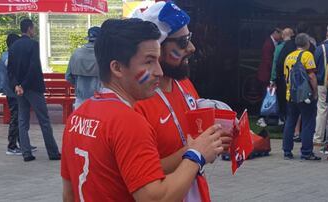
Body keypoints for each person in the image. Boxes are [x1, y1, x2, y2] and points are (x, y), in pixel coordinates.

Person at [61, 18, 231, 202]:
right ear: (117, 67)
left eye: (157, 60)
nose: (158, 71)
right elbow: (155, 198)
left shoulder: (77, 116)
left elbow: (68, 193)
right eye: (148, 62)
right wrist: (196, 155)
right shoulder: (128, 122)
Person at [133, 2, 233, 201]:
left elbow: (193, 135)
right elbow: (142, 174)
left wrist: (217, 137)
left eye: (190, 38)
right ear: (156, 47)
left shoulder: (183, 83)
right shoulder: (137, 100)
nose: (192, 48)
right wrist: (196, 151)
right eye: (182, 42)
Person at [7, 19, 60, 162]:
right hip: (33, 88)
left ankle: (26, 153)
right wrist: (24, 85)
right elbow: (33, 67)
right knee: (44, 120)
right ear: (29, 28)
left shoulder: (13, 46)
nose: (34, 30)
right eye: (33, 28)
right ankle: (53, 152)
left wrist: (16, 86)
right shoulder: (33, 45)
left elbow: (10, 70)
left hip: (19, 90)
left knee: (22, 120)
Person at [282, 33, 320, 161]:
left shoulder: (289, 56)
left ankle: (287, 151)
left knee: (290, 121)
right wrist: (315, 92)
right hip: (304, 95)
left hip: (290, 95)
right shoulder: (307, 55)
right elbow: (311, 76)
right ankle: (306, 152)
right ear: (307, 43)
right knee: (308, 122)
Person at [0, 34, 23, 155]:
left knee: (18, 117)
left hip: (11, 90)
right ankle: (12, 146)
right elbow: (14, 70)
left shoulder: (6, 55)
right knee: (15, 117)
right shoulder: (8, 57)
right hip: (12, 91)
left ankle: (22, 143)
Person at [66, 26, 102, 109]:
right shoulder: (102, 55)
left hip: (80, 98)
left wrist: (78, 85)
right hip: (99, 98)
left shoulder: (76, 53)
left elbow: (68, 76)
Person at [256, 28, 282, 127]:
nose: (281, 37)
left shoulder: (274, 43)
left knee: (271, 96)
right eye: (280, 34)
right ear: (275, 33)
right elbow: (268, 61)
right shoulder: (268, 44)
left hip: (269, 75)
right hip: (265, 75)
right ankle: (261, 117)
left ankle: (273, 117)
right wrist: (275, 71)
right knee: (265, 96)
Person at [270, 28, 294, 125]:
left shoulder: (279, 48)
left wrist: (272, 79)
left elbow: (275, 63)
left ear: (283, 36)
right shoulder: (295, 46)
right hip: (294, 79)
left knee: (282, 100)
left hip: (282, 78)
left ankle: (283, 119)